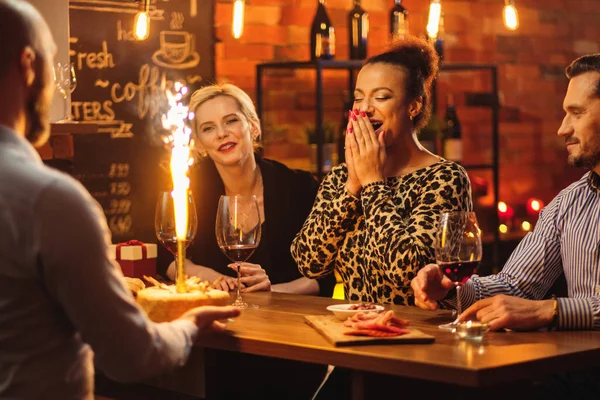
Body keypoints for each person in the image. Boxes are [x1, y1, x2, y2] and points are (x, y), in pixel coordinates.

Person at [0, 1, 239, 398]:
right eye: (52, 63)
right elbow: (130, 356)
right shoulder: (51, 201)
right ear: (28, 66)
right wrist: (188, 326)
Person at [411, 53, 600, 332]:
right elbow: (516, 286)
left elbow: (541, 307)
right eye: (565, 113)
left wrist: (553, 309)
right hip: (572, 372)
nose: (563, 128)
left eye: (577, 112)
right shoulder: (569, 204)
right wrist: (452, 289)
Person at [291, 36, 472, 306]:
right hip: (357, 332)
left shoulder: (444, 178)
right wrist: (352, 185)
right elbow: (308, 263)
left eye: (381, 97)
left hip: (422, 335)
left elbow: (407, 271)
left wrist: (373, 183)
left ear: (414, 106)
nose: (365, 109)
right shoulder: (341, 177)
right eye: (358, 98)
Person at [159, 83, 336, 298]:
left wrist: (273, 290)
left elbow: (325, 276)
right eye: (208, 128)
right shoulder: (187, 187)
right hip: (212, 318)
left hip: (288, 321)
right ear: (200, 144)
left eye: (231, 121)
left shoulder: (299, 187)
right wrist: (199, 273)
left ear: (253, 126)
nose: (222, 134)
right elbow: (162, 254)